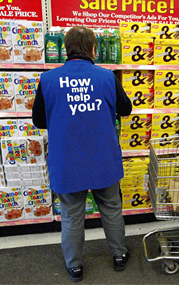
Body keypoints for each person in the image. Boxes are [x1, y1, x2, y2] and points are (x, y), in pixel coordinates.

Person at [32, 27, 133, 282]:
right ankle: (119, 256)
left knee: (71, 215)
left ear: (65, 49)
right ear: (93, 49)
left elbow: (39, 121)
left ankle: (74, 266)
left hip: (67, 160)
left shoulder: (48, 79)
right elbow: (126, 109)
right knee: (111, 209)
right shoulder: (107, 77)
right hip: (103, 159)